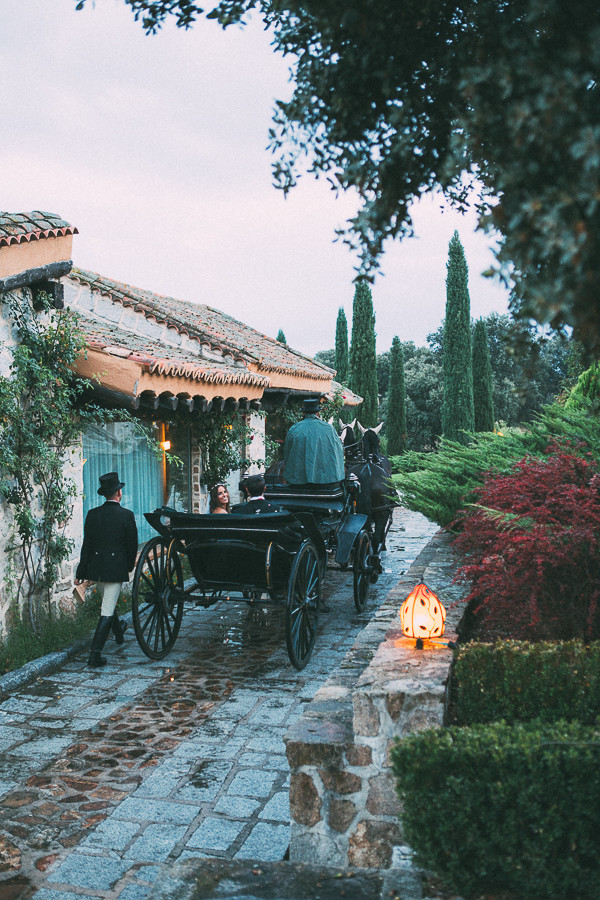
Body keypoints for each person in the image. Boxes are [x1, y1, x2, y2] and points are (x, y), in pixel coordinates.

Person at [75, 472, 138, 668]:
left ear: (105, 494)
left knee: (108, 603)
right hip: (114, 568)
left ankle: (118, 631)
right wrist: (129, 566)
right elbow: (132, 545)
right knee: (107, 610)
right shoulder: (126, 515)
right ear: (119, 492)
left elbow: (87, 545)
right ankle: (95, 655)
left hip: (96, 568)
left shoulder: (93, 514)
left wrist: (81, 572)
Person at [284, 397, 345, 488]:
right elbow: (339, 451)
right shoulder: (329, 429)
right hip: (327, 481)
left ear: (303, 413)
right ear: (318, 413)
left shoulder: (294, 429)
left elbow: (287, 453)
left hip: (298, 482)